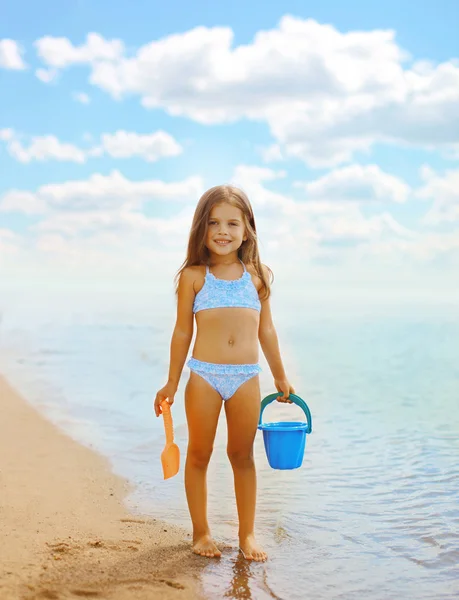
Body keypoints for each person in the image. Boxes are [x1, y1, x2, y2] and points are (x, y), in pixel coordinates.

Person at [154, 184, 295, 562]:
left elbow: (266, 330)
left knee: (242, 455)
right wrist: (171, 381)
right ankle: (201, 533)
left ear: (248, 228)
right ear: (201, 228)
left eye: (233, 223)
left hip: (247, 377)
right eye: (214, 222)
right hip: (203, 376)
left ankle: (246, 535)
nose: (223, 231)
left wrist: (280, 376)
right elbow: (183, 331)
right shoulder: (194, 277)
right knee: (199, 454)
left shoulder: (258, 276)